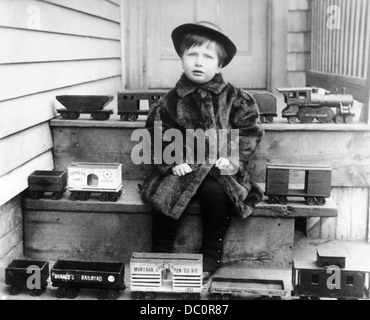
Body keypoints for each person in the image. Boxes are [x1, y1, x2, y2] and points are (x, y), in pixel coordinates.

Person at [140, 21, 265, 283]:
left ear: (219, 65)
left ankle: (211, 251)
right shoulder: (170, 101)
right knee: (165, 193)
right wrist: (171, 161)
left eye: (208, 57)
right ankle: (161, 249)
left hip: (220, 168)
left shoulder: (236, 98)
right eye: (192, 55)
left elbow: (250, 132)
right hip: (184, 164)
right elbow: (157, 133)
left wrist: (232, 158)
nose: (199, 62)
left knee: (216, 193)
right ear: (182, 59)